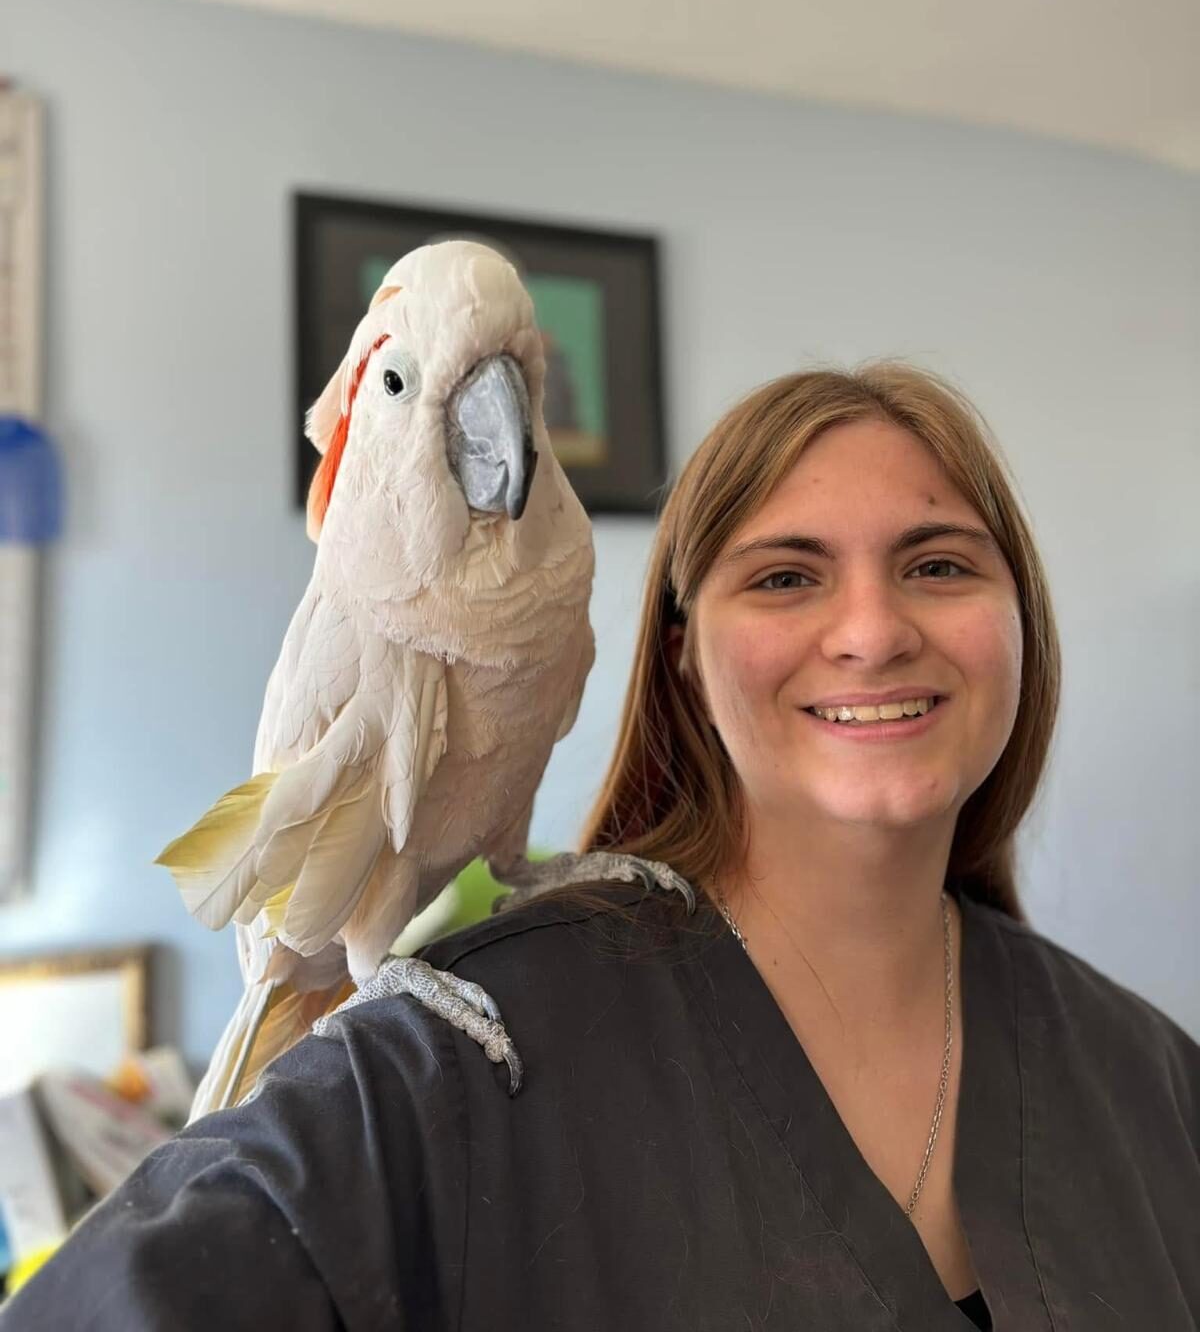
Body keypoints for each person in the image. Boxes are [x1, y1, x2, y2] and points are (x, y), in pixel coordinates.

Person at [5, 361, 1198, 1330]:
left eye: (938, 565)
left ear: (1017, 621)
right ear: (682, 649)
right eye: (786, 577)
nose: (873, 632)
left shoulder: (1149, 1074)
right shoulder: (460, 1060)